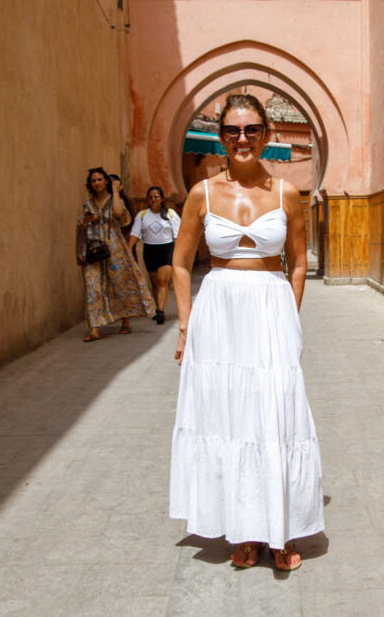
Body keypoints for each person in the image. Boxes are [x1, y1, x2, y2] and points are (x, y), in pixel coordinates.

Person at [168, 94, 323, 571]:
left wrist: (289, 319)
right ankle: (245, 531)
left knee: (275, 415)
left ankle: (280, 530)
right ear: (221, 137)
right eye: (233, 130)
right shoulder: (201, 193)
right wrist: (185, 326)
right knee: (230, 418)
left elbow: (298, 263)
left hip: (270, 309)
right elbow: (179, 263)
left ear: (266, 133)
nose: (242, 138)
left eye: (251, 129)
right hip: (219, 314)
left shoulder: (286, 194)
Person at [79, 167, 156, 342]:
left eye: (100, 179)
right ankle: (94, 328)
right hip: (94, 249)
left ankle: (125, 320)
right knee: (92, 286)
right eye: (93, 180)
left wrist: (115, 191)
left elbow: (119, 214)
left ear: (106, 181)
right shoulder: (89, 204)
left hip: (115, 248)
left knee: (119, 283)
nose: (97, 183)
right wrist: (86, 221)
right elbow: (82, 224)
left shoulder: (115, 200)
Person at [127, 186, 180, 325]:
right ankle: (158, 308)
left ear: (162, 198)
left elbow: (178, 235)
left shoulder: (170, 214)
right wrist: (128, 249)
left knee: (163, 281)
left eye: (156, 196)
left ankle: (160, 311)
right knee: (155, 283)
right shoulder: (142, 215)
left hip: (167, 249)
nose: (153, 199)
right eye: (150, 197)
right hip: (150, 250)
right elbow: (135, 233)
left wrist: (180, 252)